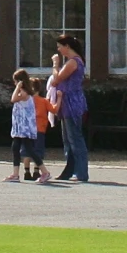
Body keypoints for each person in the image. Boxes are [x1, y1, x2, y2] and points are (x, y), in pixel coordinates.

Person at [47, 32, 89, 182]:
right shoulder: (72, 61)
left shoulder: (73, 62)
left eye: (60, 47)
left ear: (67, 46)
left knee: (75, 138)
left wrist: (55, 64)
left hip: (72, 102)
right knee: (68, 139)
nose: (58, 50)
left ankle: (81, 173)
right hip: (66, 102)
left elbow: (56, 80)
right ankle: (69, 170)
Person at [6, 71, 47, 181]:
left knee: (30, 150)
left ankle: (44, 172)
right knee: (15, 148)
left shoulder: (25, 93)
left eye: (15, 81)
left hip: (25, 128)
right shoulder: (23, 92)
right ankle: (15, 174)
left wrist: (18, 87)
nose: (14, 84)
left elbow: (13, 99)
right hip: (19, 128)